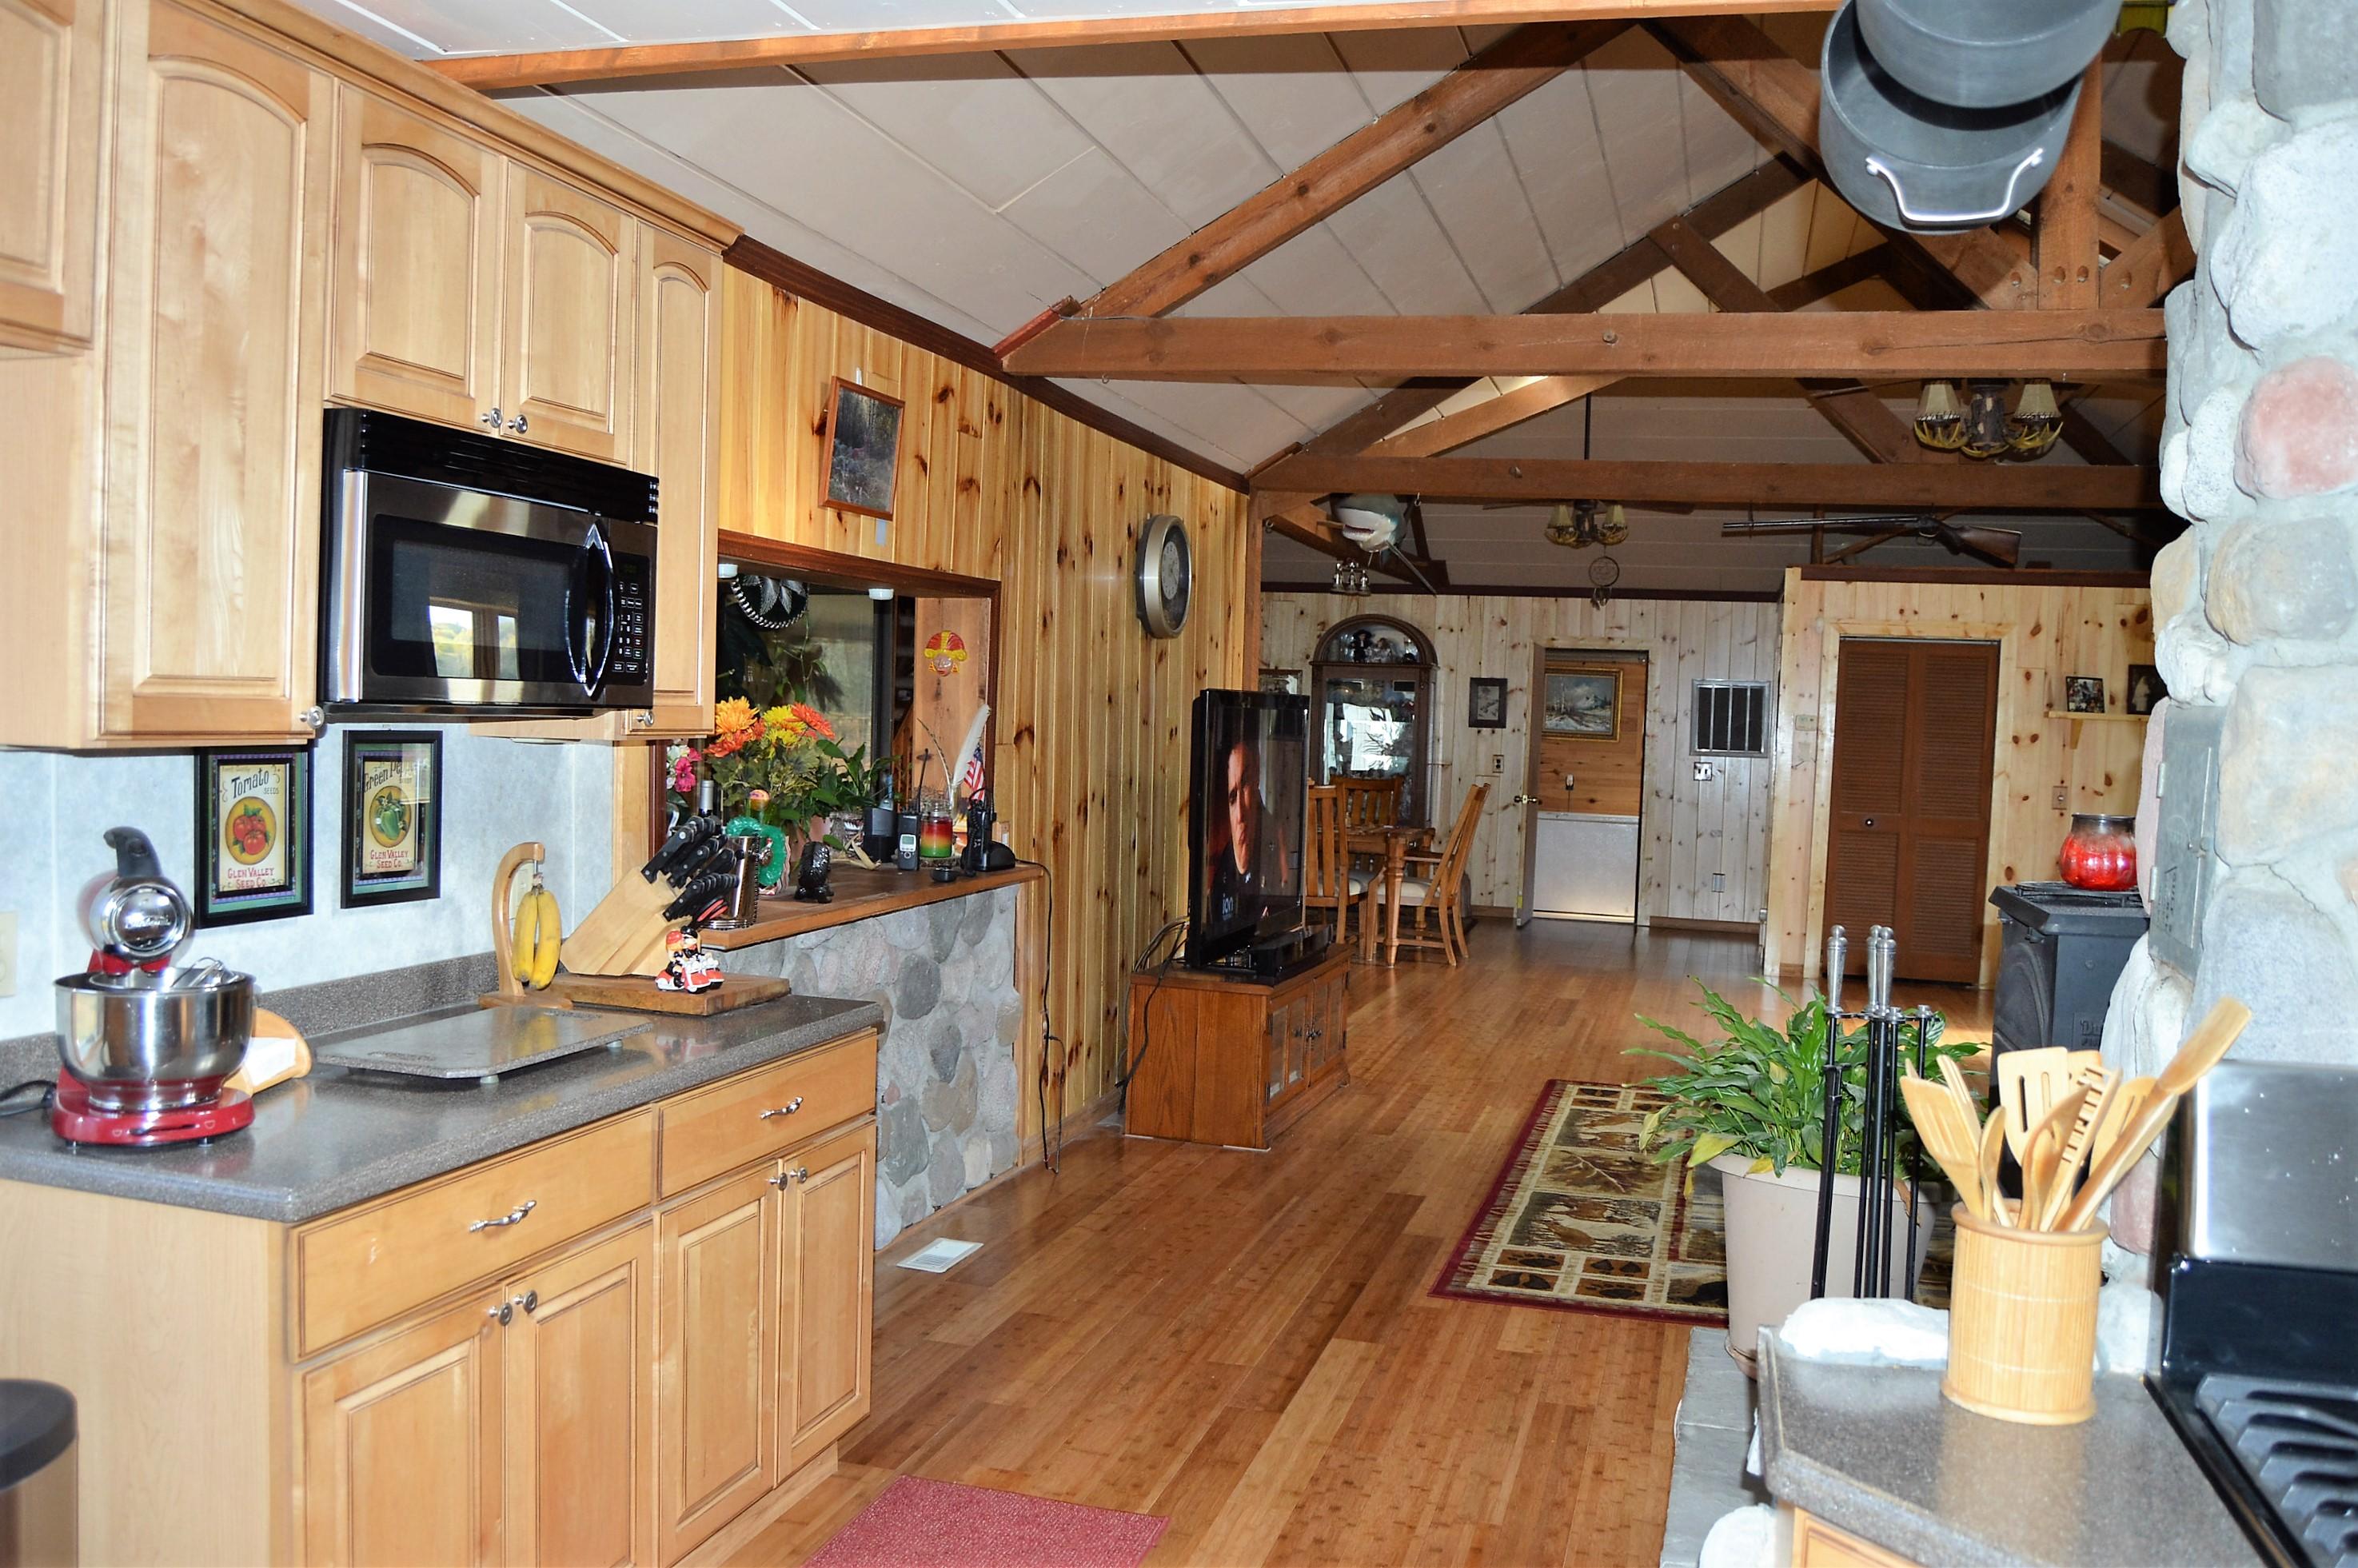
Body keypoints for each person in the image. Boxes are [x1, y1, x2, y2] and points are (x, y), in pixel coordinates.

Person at [1207, 728, 1261, 931]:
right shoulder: (1220, 877)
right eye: (1232, 798)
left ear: (1257, 779)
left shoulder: (1275, 848)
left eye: (1245, 784)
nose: (1240, 814)